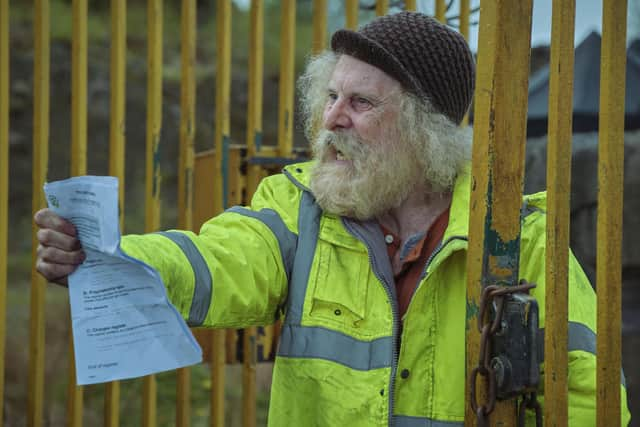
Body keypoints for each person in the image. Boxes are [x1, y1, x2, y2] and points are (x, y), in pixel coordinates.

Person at [34, 11, 629, 427]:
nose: (331, 120)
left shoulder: (517, 239)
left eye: (361, 102)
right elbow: (220, 257)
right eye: (330, 96)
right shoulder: (299, 207)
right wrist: (114, 259)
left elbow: (589, 399)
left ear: (427, 131)